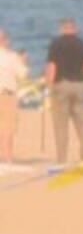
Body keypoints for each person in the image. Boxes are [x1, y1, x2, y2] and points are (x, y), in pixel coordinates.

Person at [45, 18, 83, 164]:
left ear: (62, 29)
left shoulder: (56, 44)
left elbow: (51, 67)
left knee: (61, 124)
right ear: (75, 29)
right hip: (79, 85)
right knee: (82, 122)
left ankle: (61, 159)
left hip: (62, 84)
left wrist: (49, 85)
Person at [0, 29, 30, 164]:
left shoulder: (11, 56)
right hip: (7, 95)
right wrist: (23, 61)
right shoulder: (11, 57)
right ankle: (7, 157)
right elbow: (23, 74)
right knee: (7, 127)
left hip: (6, 93)